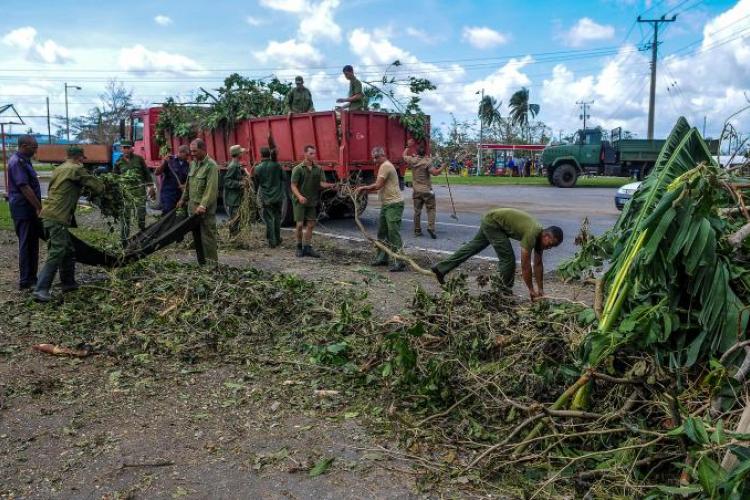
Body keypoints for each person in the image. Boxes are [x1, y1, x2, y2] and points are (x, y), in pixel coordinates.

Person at [431, 208, 563, 300]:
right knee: (508, 259)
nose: (549, 248)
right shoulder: (532, 234)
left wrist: (540, 289)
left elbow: (538, 265)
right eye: (550, 244)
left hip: (493, 220)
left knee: (472, 248)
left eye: (553, 246)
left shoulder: (540, 241)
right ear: (546, 235)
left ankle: (441, 269)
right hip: (493, 223)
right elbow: (525, 266)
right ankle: (502, 291)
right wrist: (531, 290)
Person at [33, 146, 105, 303]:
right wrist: (100, 180)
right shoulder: (75, 169)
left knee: (68, 250)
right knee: (57, 251)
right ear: (79, 157)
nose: (82, 161)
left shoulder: (60, 168)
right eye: (82, 158)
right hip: (57, 217)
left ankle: (68, 283)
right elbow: (98, 187)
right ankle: (41, 289)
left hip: (49, 214)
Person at [357, 146, 406, 272]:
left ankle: (399, 260)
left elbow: (378, 185)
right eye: (373, 158)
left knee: (393, 232)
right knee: (382, 232)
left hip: (394, 204)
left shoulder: (385, 166)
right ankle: (382, 258)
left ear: (382, 155)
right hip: (386, 204)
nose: (374, 160)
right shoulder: (383, 165)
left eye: (375, 158)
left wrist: (363, 188)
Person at [177, 139, 219, 266]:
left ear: (203, 149)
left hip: (204, 211)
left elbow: (211, 189)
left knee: (207, 238)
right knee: (197, 238)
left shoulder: (211, 165)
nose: (192, 153)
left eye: (195, 151)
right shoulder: (193, 164)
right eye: (191, 151)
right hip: (192, 209)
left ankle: (212, 266)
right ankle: (202, 264)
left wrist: (203, 205)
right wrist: (183, 199)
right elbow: (189, 184)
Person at [8, 135, 42, 290]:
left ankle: (32, 278)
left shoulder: (25, 161)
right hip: (23, 209)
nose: (36, 150)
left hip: (28, 209)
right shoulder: (17, 162)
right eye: (34, 147)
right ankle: (26, 281)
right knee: (26, 243)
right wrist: (38, 206)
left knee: (32, 243)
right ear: (23, 146)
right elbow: (24, 187)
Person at [290, 144, 336, 258]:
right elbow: (293, 186)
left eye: (314, 153)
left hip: (312, 201)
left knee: (311, 225)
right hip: (299, 201)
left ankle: (307, 247)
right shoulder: (298, 169)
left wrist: (333, 185)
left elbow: (321, 183)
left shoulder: (318, 168)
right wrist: (300, 197)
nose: (313, 155)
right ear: (305, 154)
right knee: (300, 225)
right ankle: (298, 247)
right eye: (311, 153)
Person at [114, 140, 154, 245]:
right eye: (124, 147)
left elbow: (146, 173)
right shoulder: (118, 162)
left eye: (128, 147)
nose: (126, 150)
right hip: (125, 193)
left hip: (139, 193)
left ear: (132, 148)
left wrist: (151, 186)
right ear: (121, 149)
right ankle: (124, 240)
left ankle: (142, 236)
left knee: (141, 215)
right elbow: (114, 178)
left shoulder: (139, 159)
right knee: (125, 217)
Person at [403, 138, 445, 239]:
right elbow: (435, 173)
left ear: (416, 152)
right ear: (425, 152)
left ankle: (417, 231)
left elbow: (403, 155)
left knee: (417, 211)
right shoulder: (427, 162)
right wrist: (443, 167)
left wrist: (408, 146)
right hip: (427, 190)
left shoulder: (412, 160)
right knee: (431, 209)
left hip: (416, 190)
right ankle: (431, 227)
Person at [253, 146, 285, 248]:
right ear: (269, 154)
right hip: (278, 196)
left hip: (266, 197)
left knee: (269, 219)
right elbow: (284, 178)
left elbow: (256, 183)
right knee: (277, 218)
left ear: (261, 155)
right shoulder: (277, 166)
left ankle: (272, 242)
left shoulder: (258, 168)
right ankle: (278, 238)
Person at [154, 144, 189, 213]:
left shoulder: (187, 164)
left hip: (179, 194)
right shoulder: (170, 160)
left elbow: (189, 179)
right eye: (187, 155)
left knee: (178, 213)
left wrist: (185, 185)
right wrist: (164, 162)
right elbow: (157, 173)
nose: (188, 157)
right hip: (168, 193)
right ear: (181, 153)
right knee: (167, 211)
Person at [223, 145, 248, 236]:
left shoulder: (236, 165)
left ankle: (236, 238)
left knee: (238, 218)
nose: (242, 153)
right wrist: (240, 184)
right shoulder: (233, 166)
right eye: (241, 152)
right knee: (235, 219)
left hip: (237, 197)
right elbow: (227, 181)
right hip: (233, 199)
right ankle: (234, 239)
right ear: (238, 154)